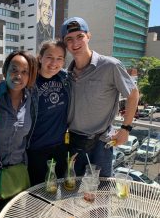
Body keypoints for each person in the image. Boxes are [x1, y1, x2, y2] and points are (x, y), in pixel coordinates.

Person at [60, 17, 139, 177]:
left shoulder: (110, 66)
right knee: (70, 190)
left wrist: (126, 128)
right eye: (69, 39)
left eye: (80, 36)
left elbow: (133, 94)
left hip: (101, 143)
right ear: (65, 44)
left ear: (88, 36)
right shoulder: (66, 74)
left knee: (101, 193)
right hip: (73, 142)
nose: (75, 43)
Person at [0, 51, 38, 218]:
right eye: (14, 69)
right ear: (5, 71)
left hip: (17, 173)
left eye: (25, 71)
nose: (18, 75)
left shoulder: (32, 99)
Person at [27, 40, 70, 186]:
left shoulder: (65, 79)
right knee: (37, 192)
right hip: (36, 149)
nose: (54, 63)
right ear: (40, 58)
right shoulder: (30, 82)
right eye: (49, 57)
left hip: (60, 147)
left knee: (58, 189)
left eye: (59, 58)